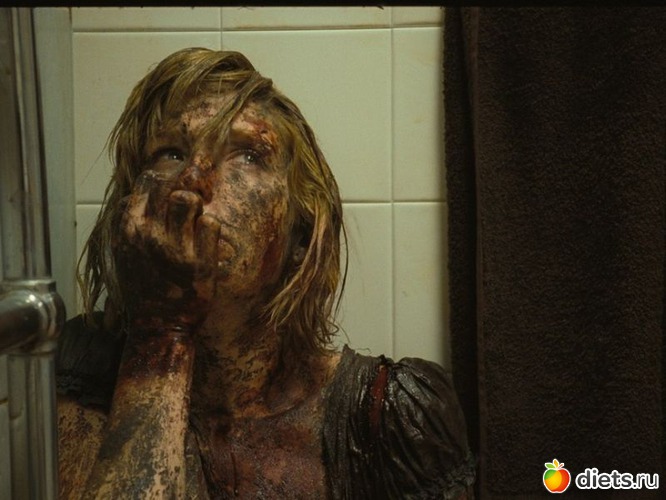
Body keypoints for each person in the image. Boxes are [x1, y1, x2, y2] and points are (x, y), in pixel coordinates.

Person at [56, 47, 476, 499]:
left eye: (248, 156)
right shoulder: (87, 371)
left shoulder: (391, 415)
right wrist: (162, 330)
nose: (192, 179)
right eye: (171, 153)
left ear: (301, 233)